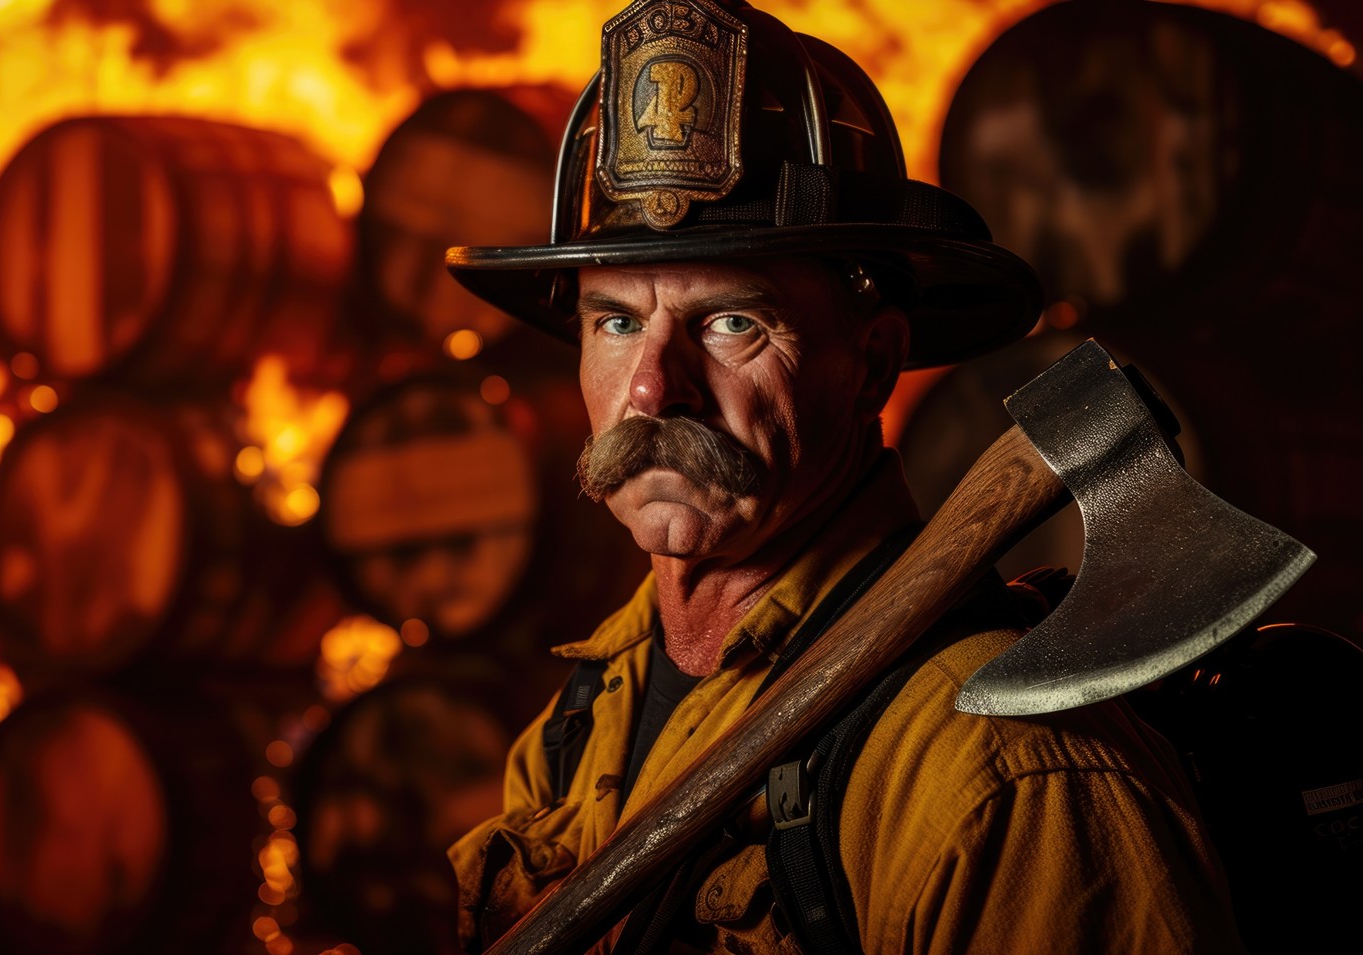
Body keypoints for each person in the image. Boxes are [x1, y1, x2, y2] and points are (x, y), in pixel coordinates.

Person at [442, 0, 1246, 951]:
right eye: (615, 322)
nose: (654, 389)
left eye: (730, 322)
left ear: (871, 362)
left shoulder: (1003, 779)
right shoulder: (576, 725)